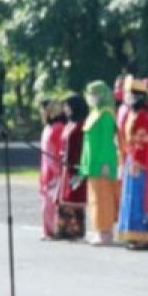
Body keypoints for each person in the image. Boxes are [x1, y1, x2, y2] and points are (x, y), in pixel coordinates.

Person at [118, 79, 148, 251]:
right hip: (132, 157)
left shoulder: (143, 115)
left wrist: (138, 161)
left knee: (139, 197)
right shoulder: (132, 114)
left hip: (141, 159)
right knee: (131, 197)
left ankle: (142, 236)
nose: (127, 97)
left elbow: (143, 141)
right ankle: (133, 234)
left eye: (130, 94)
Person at [80, 81, 120, 246]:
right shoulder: (94, 112)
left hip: (103, 163)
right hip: (92, 163)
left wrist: (104, 162)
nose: (91, 97)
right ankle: (99, 229)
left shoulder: (106, 114)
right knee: (95, 198)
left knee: (104, 199)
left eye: (94, 94)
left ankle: (106, 232)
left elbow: (106, 141)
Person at [57, 94, 89, 241]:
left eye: (68, 106)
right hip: (65, 168)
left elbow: (81, 148)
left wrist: (76, 166)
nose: (65, 109)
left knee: (74, 200)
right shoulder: (68, 124)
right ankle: (64, 229)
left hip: (75, 167)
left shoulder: (81, 126)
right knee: (64, 200)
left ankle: (75, 230)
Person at [39, 99, 66, 241]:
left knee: (51, 204)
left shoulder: (59, 128)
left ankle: (56, 229)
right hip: (46, 172)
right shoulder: (47, 128)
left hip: (55, 172)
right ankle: (48, 230)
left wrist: (57, 171)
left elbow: (60, 151)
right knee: (46, 203)